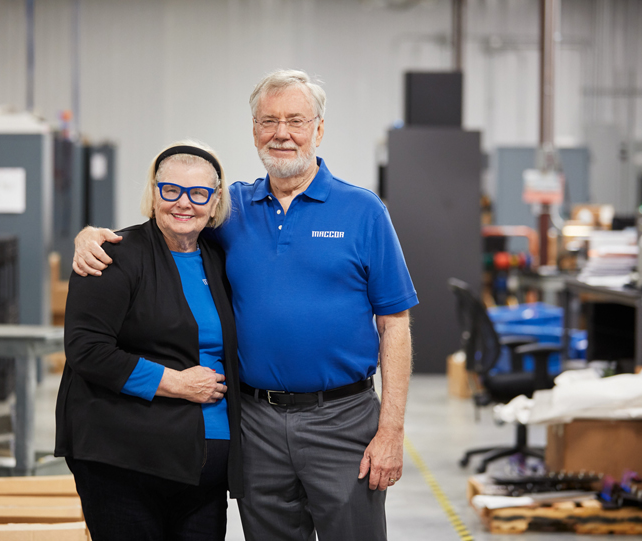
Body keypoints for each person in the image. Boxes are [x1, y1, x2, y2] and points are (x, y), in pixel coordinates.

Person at [72, 70, 418, 541]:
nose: (281, 133)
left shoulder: (364, 211)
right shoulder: (230, 210)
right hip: (256, 423)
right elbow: (171, 223)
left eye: (296, 121)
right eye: (268, 121)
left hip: (342, 420)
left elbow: (394, 323)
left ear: (319, 129)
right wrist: (91, 236)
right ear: (254, 131)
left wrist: (391, 429)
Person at [55, 141, 243, 541]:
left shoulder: (220, 259)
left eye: (198, 193)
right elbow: (88, 350)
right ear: (154, 193)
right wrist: (178, 383)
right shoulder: (112, 257)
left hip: (203, 478)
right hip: (124, 465)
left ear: (215, 202)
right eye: (171, 190)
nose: (183, 203)